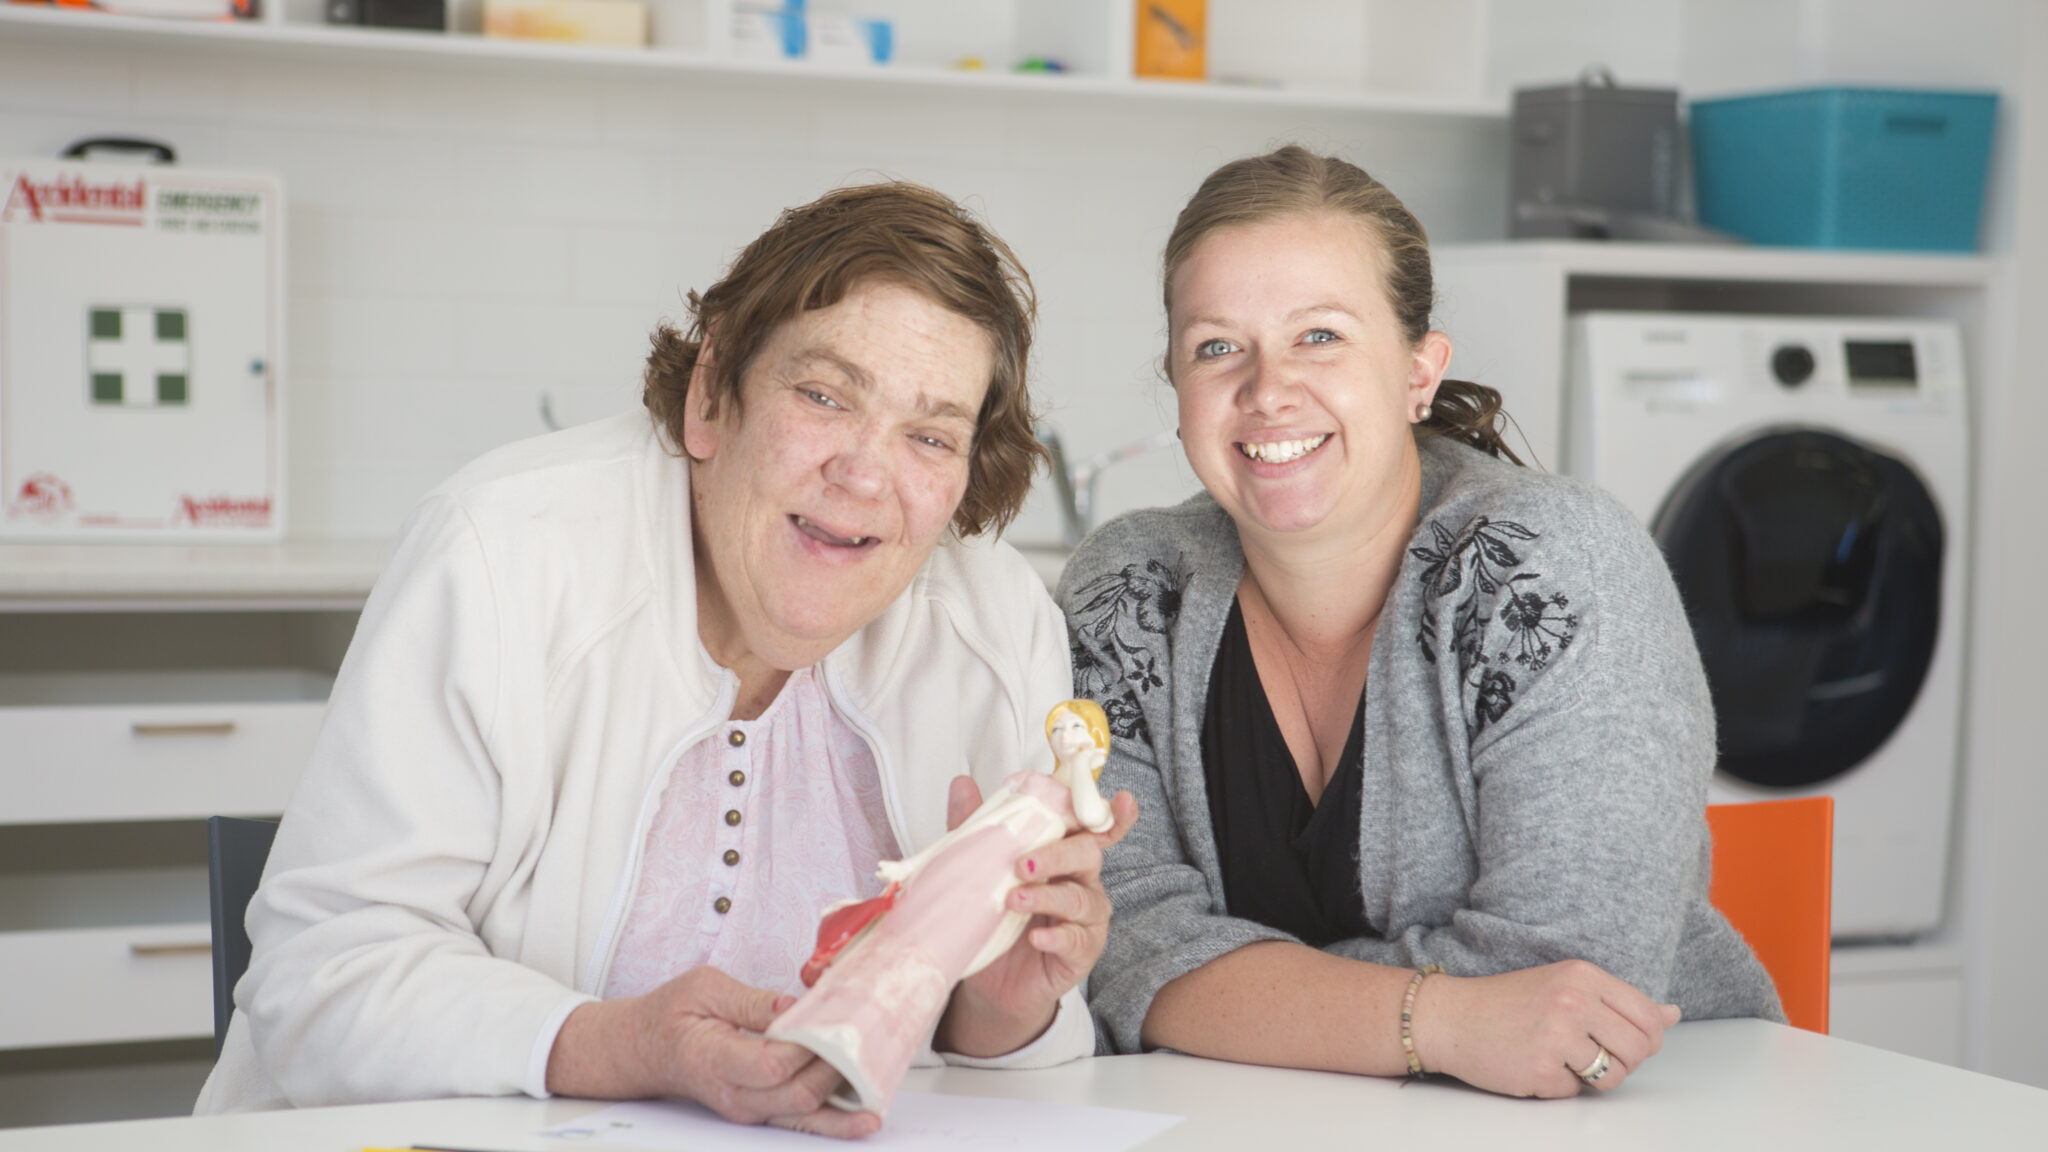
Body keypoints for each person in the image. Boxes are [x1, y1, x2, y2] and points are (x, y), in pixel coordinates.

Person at [196, 180, 1136, 1138]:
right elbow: (321, 972)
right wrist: (621, 1046)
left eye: (930, 436)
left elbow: (997, 1074)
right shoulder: (503, 553)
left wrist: (1001, 1008)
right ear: (711, 394)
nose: (862, 474)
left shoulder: (997, 621)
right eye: (823, 395)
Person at [1060, 145, 1780, 1101]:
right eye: (1217, 346)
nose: (1267, 389)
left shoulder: (1548, 565)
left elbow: (1567, 985)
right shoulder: (1130, 590)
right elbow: (1110, 946)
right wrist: (1436, 1018)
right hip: (1264, 1121)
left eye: (1320, 336)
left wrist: (1223, 986)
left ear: (1417, 371)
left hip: (1628, 1115)